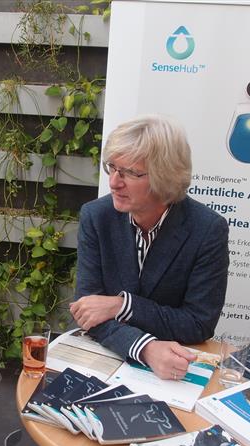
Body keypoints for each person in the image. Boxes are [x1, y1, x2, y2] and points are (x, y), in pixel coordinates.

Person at [70, 114, 229, 381]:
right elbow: (87, 310)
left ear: (165, 176)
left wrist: (122, 305)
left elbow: (198, 323)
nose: (114, 182)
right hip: (108, 357)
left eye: (130, 173)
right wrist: (145, 348)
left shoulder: (207, 229)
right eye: (112, 167)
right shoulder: (97, 217)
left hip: (176, 369)